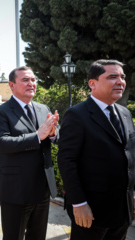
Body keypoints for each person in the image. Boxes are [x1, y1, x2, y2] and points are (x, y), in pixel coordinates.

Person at [58, 59, 135, 240]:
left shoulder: (125, 113)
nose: (120, 82)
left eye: (122, 77)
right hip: (91, 211)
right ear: (92, 83)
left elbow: (130, 154)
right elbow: (67, 161)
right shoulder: (77, 115)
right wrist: (79, 202)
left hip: (122, 210)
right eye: (112, 77)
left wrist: (132, 191)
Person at [0, 66, 59, 240]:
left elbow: (55, 134)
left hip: (42, 189)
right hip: (16, 190)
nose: (31, 83)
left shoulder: (43, 108)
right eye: (25, 80)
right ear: (12, 85)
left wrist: (53, 133)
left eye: (33, 80)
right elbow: (1, 143)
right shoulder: (1, 112)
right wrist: (37, 136)